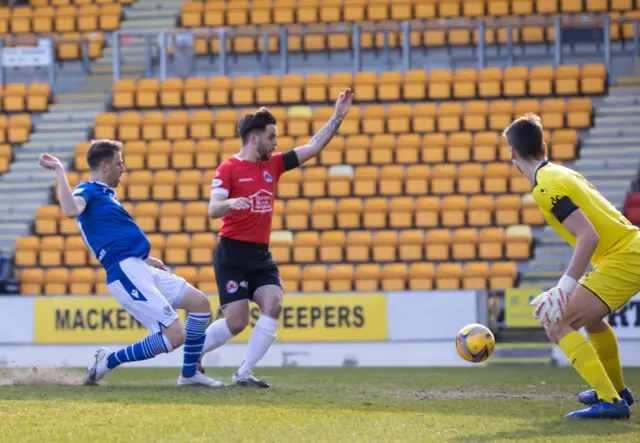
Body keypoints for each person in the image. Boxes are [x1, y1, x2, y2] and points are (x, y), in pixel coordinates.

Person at [199, 89, 354, 387]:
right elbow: (212, 209)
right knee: (237, 322)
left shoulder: (275, 164)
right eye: (272, 137)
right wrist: (230, 203)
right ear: (254, 138)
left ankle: (243, 372)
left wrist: (337, 117)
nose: (276, 143)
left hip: (260, 255)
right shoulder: (228, 168)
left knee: (274, 304)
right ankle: (194, 353)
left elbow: (313, 146)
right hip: (232, 253)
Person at [38, 140, 223, 387]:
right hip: (125, 271)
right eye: (119, 163)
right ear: (104, 166)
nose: (123, 168)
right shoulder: (87, 190)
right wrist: (60, 172)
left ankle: (190, 375)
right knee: (174, 335)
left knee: (200, 303)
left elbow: (113, 234)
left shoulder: (106, 194)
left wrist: (145, 258)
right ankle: (109, 360)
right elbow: (71, 210)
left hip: (138, 265)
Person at [504, 113, 640, 419]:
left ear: (512, 153)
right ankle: (617, 390)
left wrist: (564, 287)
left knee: (557, 323)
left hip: (623, 257)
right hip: (627, 251)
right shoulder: (562, 173)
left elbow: (587, 236)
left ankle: (611, 402)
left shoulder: (545, 187)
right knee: (592, 321)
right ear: (543, 145)